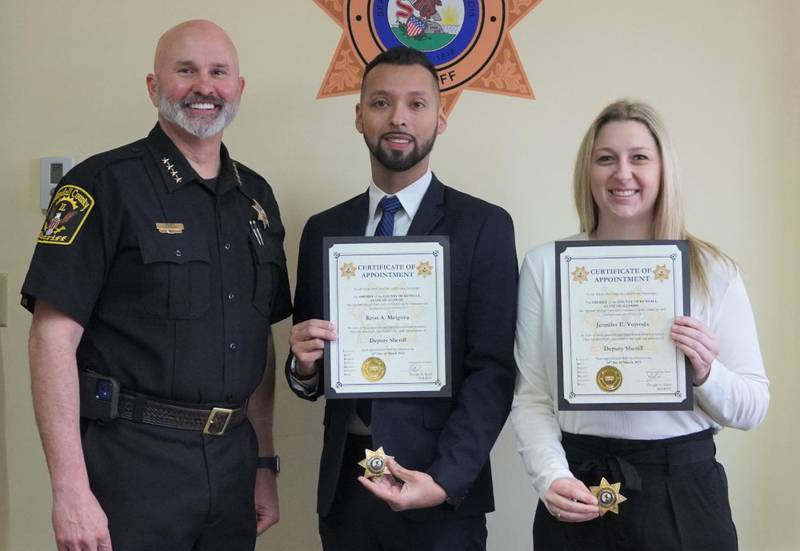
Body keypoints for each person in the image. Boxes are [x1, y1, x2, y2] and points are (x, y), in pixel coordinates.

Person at [22, 20, 291, 550]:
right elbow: (50, 340)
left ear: (238, 89)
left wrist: (263, 463)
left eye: (219, 73)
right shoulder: (101, 186)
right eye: (185, 70)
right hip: (131, 464)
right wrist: (70, 489)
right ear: (153, 87)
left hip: (232, 463)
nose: (204, 86)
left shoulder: (255, 199)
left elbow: (258, 342)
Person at [286, 47, 518, 550]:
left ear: (441, 117)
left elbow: (494, 370)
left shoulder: (484, 227)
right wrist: (303, 368)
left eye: (416, 104)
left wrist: (443, 480)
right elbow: (311, 369)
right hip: (347, 489)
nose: (398, 118)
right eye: (381, 102)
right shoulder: (324, 230)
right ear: (359, 116)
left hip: (440, 492)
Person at [511, 99, 770, 550]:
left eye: (639, 158)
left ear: (663, 169)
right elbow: (532, 399)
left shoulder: (713, 271)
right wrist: (550, 477)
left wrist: (707, 374)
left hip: (684, 492)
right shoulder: (544, 267)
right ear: (586, 171)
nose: (622, 173)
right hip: (579, 484)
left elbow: (752, 407)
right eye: (606, 158)